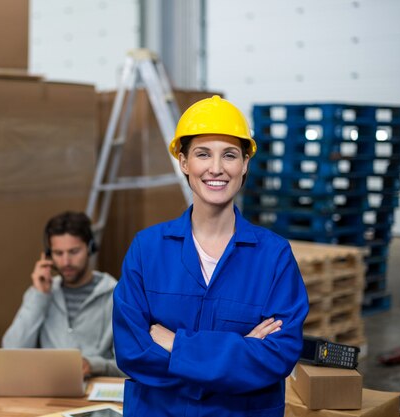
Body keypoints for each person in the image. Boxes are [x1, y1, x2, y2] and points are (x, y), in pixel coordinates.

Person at [112, 95, 309, 416]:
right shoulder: (147, 249)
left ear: (245, 163)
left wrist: (177, 344)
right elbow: (132, 352)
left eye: (229, 155)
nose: (216, 168)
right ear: (184, 162)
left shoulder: (274, 256)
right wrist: (241, 353)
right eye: (203, 154)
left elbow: (277, 357)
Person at [2, 211, 123, 377]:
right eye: (58, 253)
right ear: (48, 255)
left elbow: (129, 366)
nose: (66, 262)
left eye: (74, 252)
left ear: (90, 248)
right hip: (48, 388)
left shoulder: (116, 296)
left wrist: (93, 365)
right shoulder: (40, 293)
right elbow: (10, 353)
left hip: (95, 389)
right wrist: (39, 296)